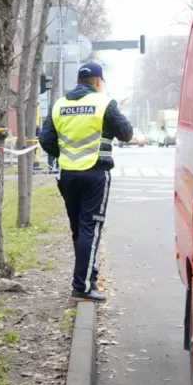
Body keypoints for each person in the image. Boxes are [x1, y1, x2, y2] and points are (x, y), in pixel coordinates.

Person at [38, 62, 132, 302]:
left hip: (68, 174)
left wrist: (66, 155)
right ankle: (82, 285)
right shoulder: (104, 103)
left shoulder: (60, 104)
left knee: (79, 229)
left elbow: (46, 139)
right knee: (90, 228)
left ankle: (88, 275)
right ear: (98, 81)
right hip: (95, 174)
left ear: (78, 81)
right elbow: (126, 133)